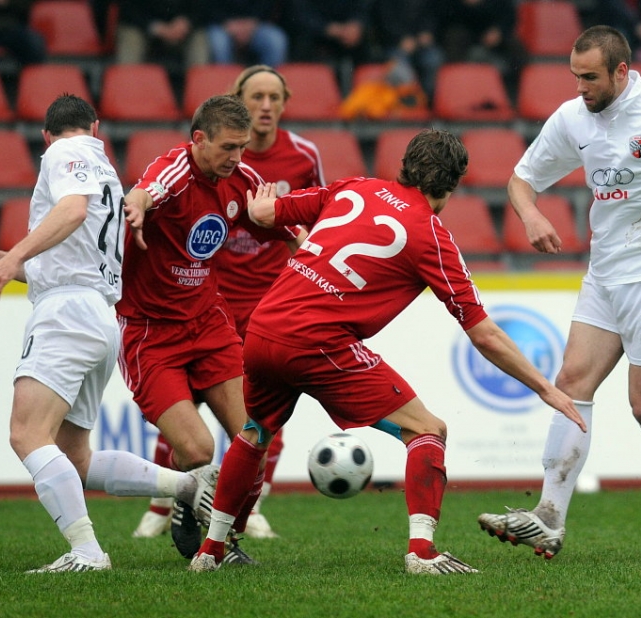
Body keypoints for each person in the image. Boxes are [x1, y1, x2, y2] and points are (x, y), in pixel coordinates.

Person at [186, 128, 586, 573]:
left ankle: (211, 551)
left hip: (264, 328)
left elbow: (268, 211)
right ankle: (422, 552)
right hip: (318, 340)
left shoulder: (356, 187)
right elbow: (484, 334)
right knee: (427, 430)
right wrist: (544, 388)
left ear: (405, 165)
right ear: (451, 187)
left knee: (255, 432)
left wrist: (264, 209)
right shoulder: (430, 234)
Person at [478, 25, 641, 562]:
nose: (580, 88)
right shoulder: (574, 117)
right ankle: (547, 518)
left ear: (621, 71)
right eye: (575, 76)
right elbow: (521, 181)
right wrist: (529, 215)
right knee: (570, 384)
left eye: (589, 77)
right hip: (607, 269)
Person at [0, 94, 218, 573]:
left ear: (45, 136)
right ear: (97, 127)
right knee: (73, 456)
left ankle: (87, 552)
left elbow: (72, 211)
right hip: (95, 314)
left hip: (67, 317)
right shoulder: (107, 174)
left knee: (26, 434)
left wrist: (12, 257)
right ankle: (187, 486)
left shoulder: (64, 153)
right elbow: (60, 265)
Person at [132, 66, 324, 540]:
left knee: (255, 432)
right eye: (227, 148)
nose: (236, 158)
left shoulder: (255, 172)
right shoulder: (177, 169)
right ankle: (173, 500)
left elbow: (286, 220)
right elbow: (149, 188)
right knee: (194, 444)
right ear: (200, 138)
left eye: (241, 148)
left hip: (220, 317)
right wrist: (136, 204)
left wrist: (316, 257)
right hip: (155, 328)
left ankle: (226, 532)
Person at [114, 0, 209, 69]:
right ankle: (128, 90)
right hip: (142, 26)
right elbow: (127, 9)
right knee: (130, 39)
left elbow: (203, 6)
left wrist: (187, 21)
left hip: (182, 29)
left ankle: (200, 92)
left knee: (199, 41)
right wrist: (156, 27)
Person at [205, 1, 288, 68]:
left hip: (255, 24)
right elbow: (208, 6)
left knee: (276, 40)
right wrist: (228, 24)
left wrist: (252, 23)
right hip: (223, 25)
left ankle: (269, 83)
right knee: (219, 43)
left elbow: (268, 5)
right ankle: (225, 84)